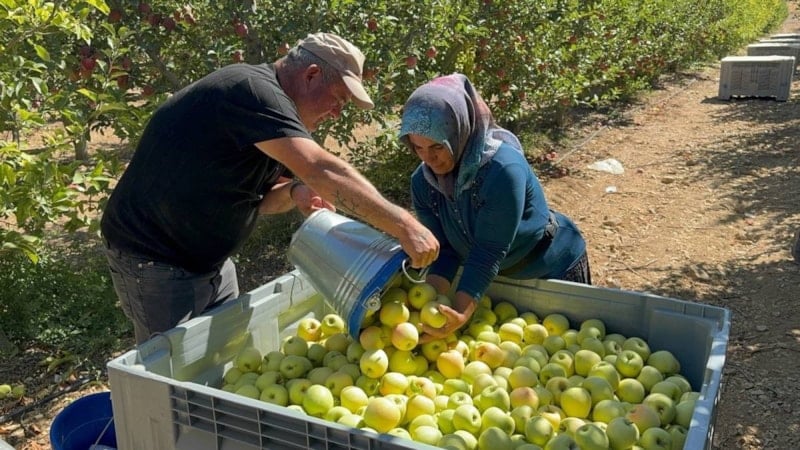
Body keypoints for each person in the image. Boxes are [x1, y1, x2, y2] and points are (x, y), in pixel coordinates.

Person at [101, 32, 439, 344]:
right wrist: (404, 225)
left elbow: (258, 201)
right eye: (338, 99)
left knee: (223, 359)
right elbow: (322, 169)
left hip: (210, 262)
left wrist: (294, 193)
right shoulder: (251, 91)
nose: (336, 113)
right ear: (310, 75)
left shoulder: (272, 125)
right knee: (172, 386)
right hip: (157, 261)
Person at [398, 73, 590, 342]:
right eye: (418, 147)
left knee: (570, 344)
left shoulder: (502, 170)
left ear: (460, 131)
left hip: (548, 267)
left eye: (437, 146)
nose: (428, 158)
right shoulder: (424, 183)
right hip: (493, 279)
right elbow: (446, 250)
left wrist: (462, 313)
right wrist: (427, 307)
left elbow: (488, 250)